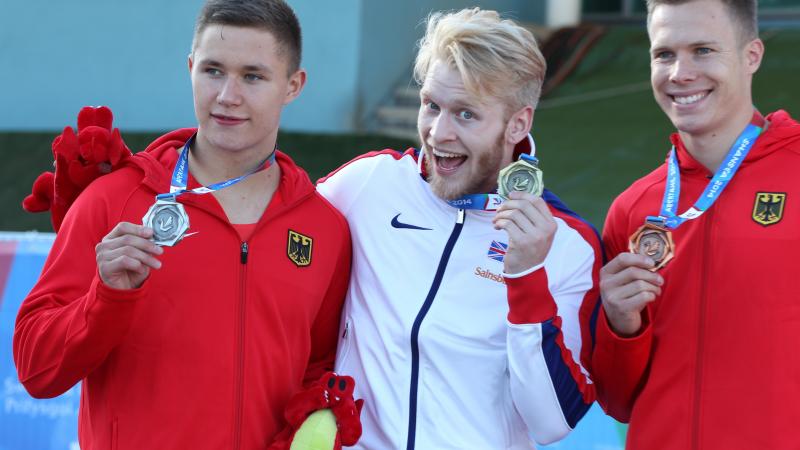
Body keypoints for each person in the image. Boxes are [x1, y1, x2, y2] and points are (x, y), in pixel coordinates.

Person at [13, 1, 352, 449]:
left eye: (253, 76)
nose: (227, 96)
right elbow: (37, 371)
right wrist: (106, 297)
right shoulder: (115, 200)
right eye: (213, 70)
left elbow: (319, 372)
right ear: (191, 67)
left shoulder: (324, 228)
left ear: (293, 85)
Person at [316, 8, 602, 449]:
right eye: (431, 105)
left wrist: (526, 277)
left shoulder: (566, 244)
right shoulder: (369, 185)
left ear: (518, 124)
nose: (438, 132)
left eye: (466, 114)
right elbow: (274, 233)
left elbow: (553, 421)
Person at [592, 0, 800, 448]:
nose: (680, 73)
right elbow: (617, 399)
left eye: (703, 50)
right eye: (664, 54)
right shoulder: (633, 208)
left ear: (752, 56)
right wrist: (621, 325)